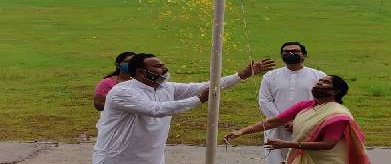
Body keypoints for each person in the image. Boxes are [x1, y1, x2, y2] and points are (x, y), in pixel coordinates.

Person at [93, 53, 275, 164]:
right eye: (158, 66)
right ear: (141, 72)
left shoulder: (165, 87)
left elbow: (205, 85)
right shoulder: (122, 92)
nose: (164, 69)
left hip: (151, 159)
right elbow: (155, 109)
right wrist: (197, 100)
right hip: (117, 159)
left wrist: (242, 75)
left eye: (163, 65)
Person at [227, 75, 371, 164]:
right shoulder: (305, 106)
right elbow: (273, 122)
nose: (319, 83)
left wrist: (287, 144)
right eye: (319, 81)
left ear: (335, 91)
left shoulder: (337, 114)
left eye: (325, 82)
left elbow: (328, 144)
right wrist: (242, 131)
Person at [258, 42, 326, 163]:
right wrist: (282, 121)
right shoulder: (270, 76)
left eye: (295, 51)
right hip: (276, 128)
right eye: (286, 52)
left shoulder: (318, 76)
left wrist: (299, 122)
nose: (290, 53)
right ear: (281, 55)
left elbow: (324, 103)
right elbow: (264, 101)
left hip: (307, 127)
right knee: (276, 160)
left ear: (304, 55)